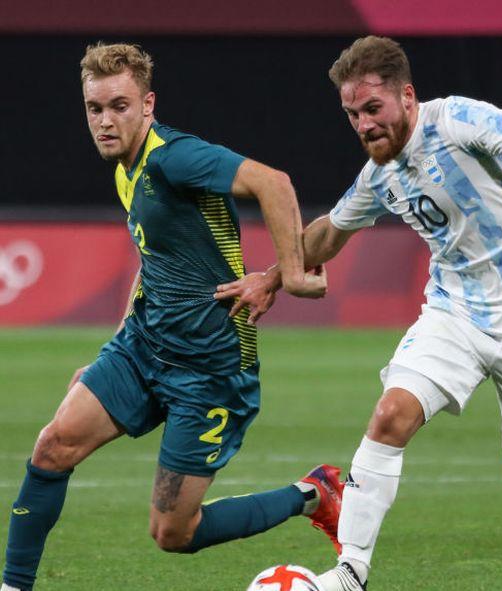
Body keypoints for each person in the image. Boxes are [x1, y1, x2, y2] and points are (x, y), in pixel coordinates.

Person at [217, 36, 502, 591]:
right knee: (390, 416)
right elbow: (329, 232)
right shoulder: (380, 173)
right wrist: (270, 277)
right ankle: (351, 572)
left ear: (407, 96)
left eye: (372, 108)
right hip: (455, 313)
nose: (363, 124)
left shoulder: (456, 121)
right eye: (352, 114)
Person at [1, 43, 342, 591]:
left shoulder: (173, 157)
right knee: (52, 446)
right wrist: (109, 353)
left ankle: (312, 494)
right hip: (142, 347)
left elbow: (273, 182)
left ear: (148, 104)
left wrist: (290, 275)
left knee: (173, 532)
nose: (105, 121)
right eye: (95, 108)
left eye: (119, 106)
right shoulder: (125, 169)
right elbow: (153, 261)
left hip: (209, 369)